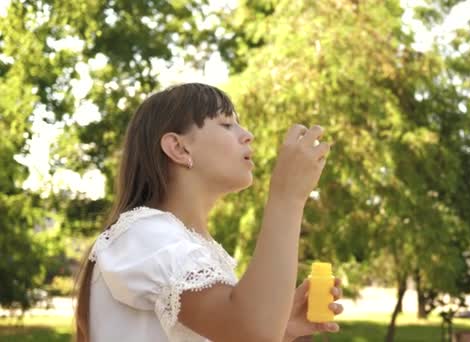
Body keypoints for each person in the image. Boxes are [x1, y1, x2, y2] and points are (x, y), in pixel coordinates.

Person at [73, 83, 344, 341]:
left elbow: (245, 334)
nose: (247, 134)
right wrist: (288, 197)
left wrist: (280, 328)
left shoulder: (192, 246)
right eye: (227, 124)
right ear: (179, 148)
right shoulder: (144, 235)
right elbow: (251, 331)